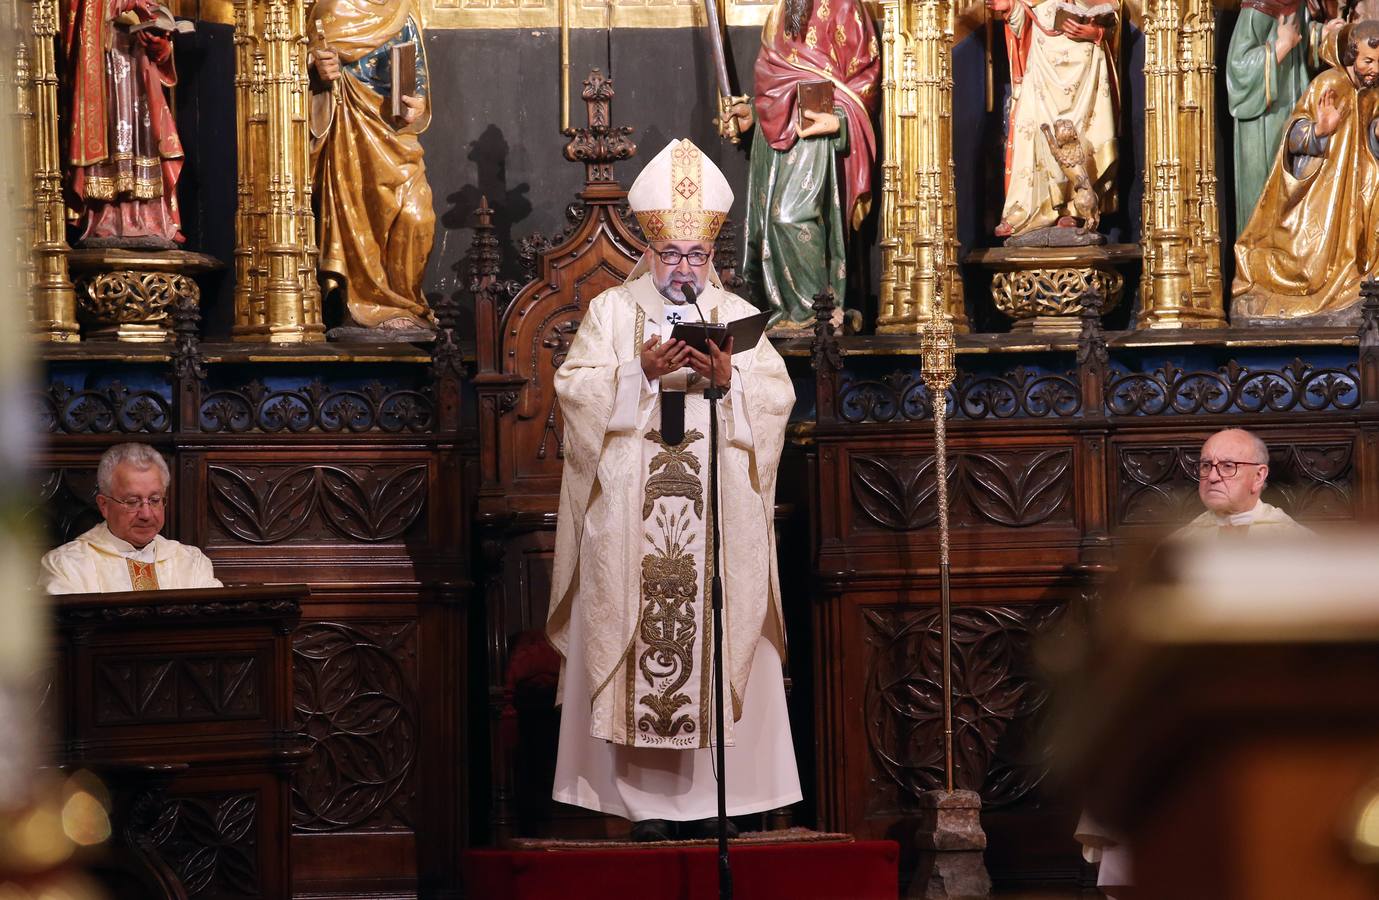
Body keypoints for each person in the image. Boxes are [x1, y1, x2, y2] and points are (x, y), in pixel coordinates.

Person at [548, 138, 801, 841]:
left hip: (718, 517)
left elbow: (775, 403)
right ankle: (636, 806)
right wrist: (640, 375)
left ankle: (730, 800)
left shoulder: (736, 313)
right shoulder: (610, 312)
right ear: (649, 250)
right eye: (672, 256)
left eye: (695, 256)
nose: (684, 269)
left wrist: (730, 384)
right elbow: (573, 393)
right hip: (631, 518)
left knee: (722, 622)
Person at [731, 0, 880, 330]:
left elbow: (862, 77)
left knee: (790, 217)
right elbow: (775, 88)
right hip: (773, 138)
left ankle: (819, 311)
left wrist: (839, 120)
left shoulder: (844, 6)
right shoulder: (779, 14)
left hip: (816, 127)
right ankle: (784, 312)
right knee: (766, 225)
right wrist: (752, 114)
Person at [1233, 19, 1379, 323]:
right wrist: (1319, 130)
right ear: (1353, 56)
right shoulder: (1328, 84)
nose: (1374, 69)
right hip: (1323, 191)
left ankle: (1362, 281)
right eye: (1368, 60)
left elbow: (1372, 138)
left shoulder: (1372, 93)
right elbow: (1295, 136)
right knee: (1309, 263)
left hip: (1360, 186)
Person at [308, 0, 436, 333]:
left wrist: (415, 105)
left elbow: (417, 83)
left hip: (393, 135)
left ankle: (404, 302)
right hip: (348, 132)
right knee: (357, 218)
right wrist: (315, 69)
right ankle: (365, 307)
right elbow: (291, 64)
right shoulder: (331, 8)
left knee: (417, 216)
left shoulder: (402, 11)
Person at [987, 0, 1119, 241]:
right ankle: (1025, 211)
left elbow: (1113, 18)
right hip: (1042, 59)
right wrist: (1010, 9)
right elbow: (1023, 21)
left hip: (1085, 67)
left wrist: (1097, 33)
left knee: (1080, 134)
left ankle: (1075, 210)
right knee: (1035, 129)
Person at [64, 0, 189, 248]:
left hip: (140, 63)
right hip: (104, 62)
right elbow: (82, 13)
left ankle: (153, 219)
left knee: (147, 134)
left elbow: (158, 19)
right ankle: (107, 217)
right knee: (112, 132)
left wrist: (161, 42)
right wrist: (126, 3)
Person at [39, 443, 221, 594]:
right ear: (104, 505)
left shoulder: (191, 563)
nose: (146, 514)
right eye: (132, 502)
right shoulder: (67, 566)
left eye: (155, 500)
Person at [1225, 0, 1339, 230]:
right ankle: (1257, 261)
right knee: (1265, 194)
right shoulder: (1257, 8)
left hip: (1295, 110)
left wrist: (1322, 33)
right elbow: (1238, 70)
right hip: (1263, 122)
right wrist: (1282, 45)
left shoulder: (1297, 7)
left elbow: (1302, 37)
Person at [1171, 427, 1311, 539]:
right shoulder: (1179, 543)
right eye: (1206, 465)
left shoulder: (1296, 541)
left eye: (1228, 466)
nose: (1212, 477)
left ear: (1258, 476)